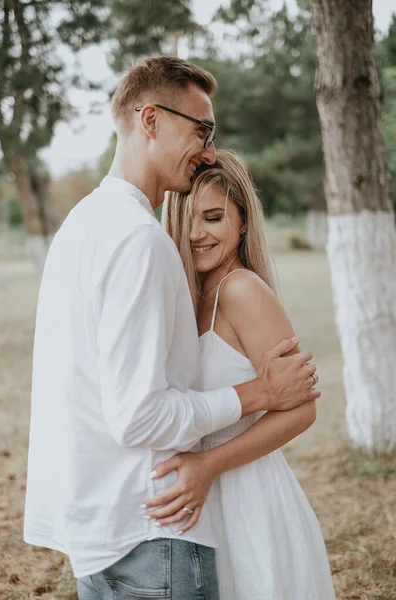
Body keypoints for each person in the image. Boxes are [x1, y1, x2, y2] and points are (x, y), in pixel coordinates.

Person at [24, 57, 320, 600]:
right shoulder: (138, 239)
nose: (208, 148)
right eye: (201, 130)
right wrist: (258, 392)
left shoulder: (82, 226)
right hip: (152, 529)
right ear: (151, 120)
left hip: (137, 521)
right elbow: (138, 415)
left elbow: (301, 401)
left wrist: (211, 461)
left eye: (217, 217)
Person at [141, 149, 336, 599]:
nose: (196, 234)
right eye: (188, 218)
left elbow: (302, 410)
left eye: (213, 217)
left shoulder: (242, 289)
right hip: (198, 498)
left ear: (242, 220)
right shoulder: (189, 294)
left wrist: (209, 465)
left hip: (249, 496)